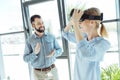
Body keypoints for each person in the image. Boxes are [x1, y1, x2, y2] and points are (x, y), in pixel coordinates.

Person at [62, 7, 110, 80]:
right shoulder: (82, 37)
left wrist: (75, 25)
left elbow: (87, 54)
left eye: (82, 20)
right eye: (79, 21)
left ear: (92, 22)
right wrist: (71, 22)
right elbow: (65, 34)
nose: (79, 23)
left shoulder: (103, 43)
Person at [23, 14, 62, 80]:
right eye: (38, 23)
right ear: (33, 25)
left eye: (42, 23)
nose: (42, 25)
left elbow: (60, 50)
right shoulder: (29, 41)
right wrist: (34, 53)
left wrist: (55, 53)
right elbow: (25, 58)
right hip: (38, 74)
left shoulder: (51, 36)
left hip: (52, 71)